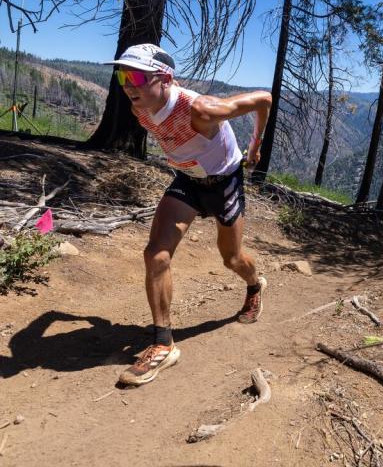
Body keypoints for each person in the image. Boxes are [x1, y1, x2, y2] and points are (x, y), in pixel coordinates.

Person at [105, 43, 272, 386]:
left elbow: (263, 100)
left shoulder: (202, 110)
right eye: (122, 75)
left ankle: (255, 285)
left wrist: (254, 147)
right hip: (188, 183)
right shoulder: (141, 106)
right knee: (156, 254)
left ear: (165, 79)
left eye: (136, 75)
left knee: (233, 259)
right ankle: (163, 343)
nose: (128, 84)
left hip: (225, 183)